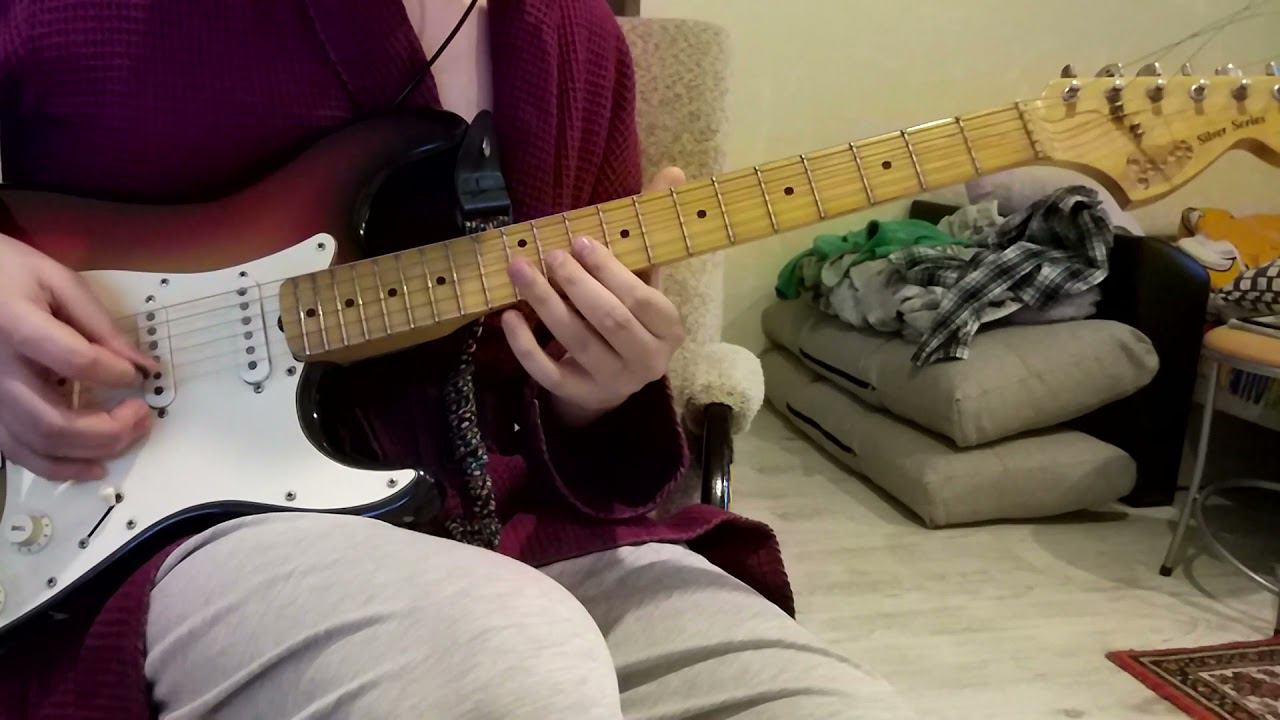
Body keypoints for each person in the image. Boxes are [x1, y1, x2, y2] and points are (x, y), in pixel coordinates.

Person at [0, 1, 911, 718]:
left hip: (513, 532)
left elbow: (562, 415)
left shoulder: (578, 39)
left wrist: (599, 394)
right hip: (155, 533)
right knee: (509, 659)